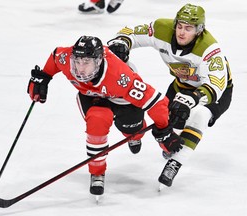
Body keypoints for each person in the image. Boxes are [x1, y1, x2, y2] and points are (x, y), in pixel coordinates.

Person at [27, 35, 183, 196]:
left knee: (132, 130)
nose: (80, 69)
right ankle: (97, 172)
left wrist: (164, 132)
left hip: (122, 98)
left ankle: (134, 136)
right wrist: (44, 77)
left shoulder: (121, 78)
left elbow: (156, 102)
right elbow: (55, 56)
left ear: (99, 61)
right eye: (78, 62)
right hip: (92, 98)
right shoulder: (67, 58)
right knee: (97, 122)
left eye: (86, 62)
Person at [108, 3, 233, 188]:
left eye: (188, 28)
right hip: (181, 85)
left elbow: (217, 84)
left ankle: (175, 163)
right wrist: (122, 42)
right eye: (180, 26)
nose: (182, 32)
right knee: (167, 125)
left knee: (198, 116)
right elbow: (131, 32)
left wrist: (194, 99)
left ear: (199, 31)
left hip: (213, 94)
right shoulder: (162, 28)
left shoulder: (209, 49)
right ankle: (171, 145)